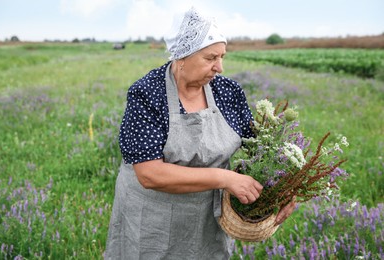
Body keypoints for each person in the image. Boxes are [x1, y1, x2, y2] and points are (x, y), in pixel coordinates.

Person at [105, 7, 295, 259]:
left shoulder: (228, 92)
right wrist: (225, 178)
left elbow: (261, 149)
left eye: (222, 56)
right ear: (182, 57)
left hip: (207, 220)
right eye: (210, 58)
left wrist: (285, 191)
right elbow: (149, 174)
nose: (220, 67)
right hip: (152, 221)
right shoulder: (147, 94)